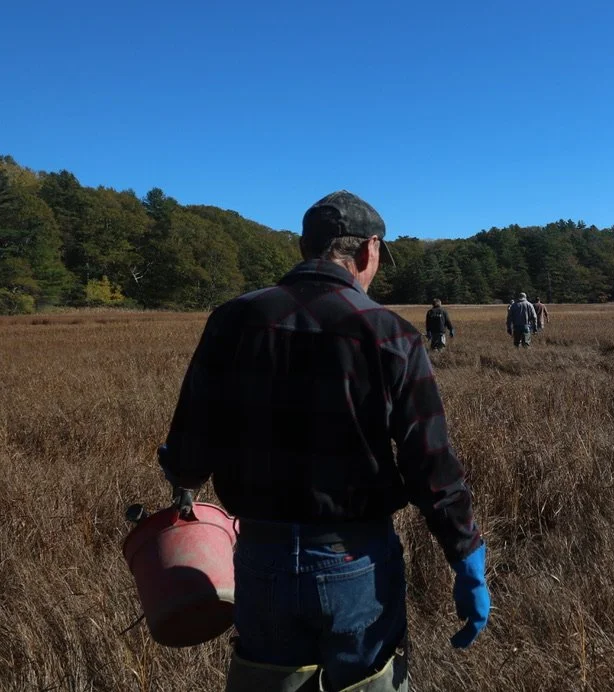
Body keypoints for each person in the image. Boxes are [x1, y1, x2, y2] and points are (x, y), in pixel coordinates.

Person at [157, 190, 489, 692]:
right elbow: (431, 464)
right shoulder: (389, 333)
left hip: (260, 558)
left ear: (301, 246)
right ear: (367, 251)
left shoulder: (232, 320)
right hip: (355, 560)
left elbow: (187, 451)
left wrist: (184, 483)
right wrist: (465, 554)